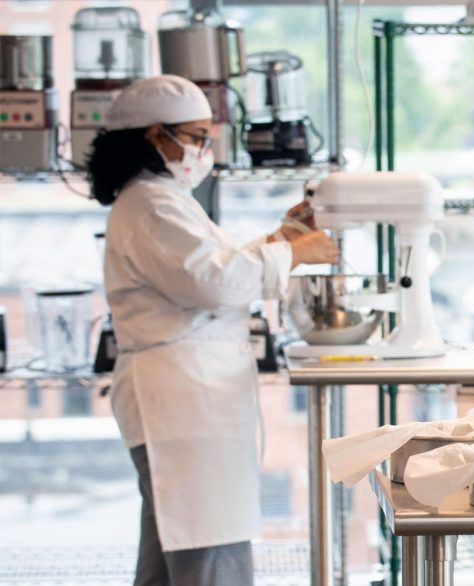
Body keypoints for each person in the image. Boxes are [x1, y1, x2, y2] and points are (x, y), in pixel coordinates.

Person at [87, 75, 339, 585]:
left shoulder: (159, 199)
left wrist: (281, 237)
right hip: (179, 401)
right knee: (207, 553)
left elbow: (209, 265)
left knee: (173, 551)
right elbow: (213, 282)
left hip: (182, 398)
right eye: (197, 136)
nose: (206, 149)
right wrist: (293, 252)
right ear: (156, 137)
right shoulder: (151, 204)